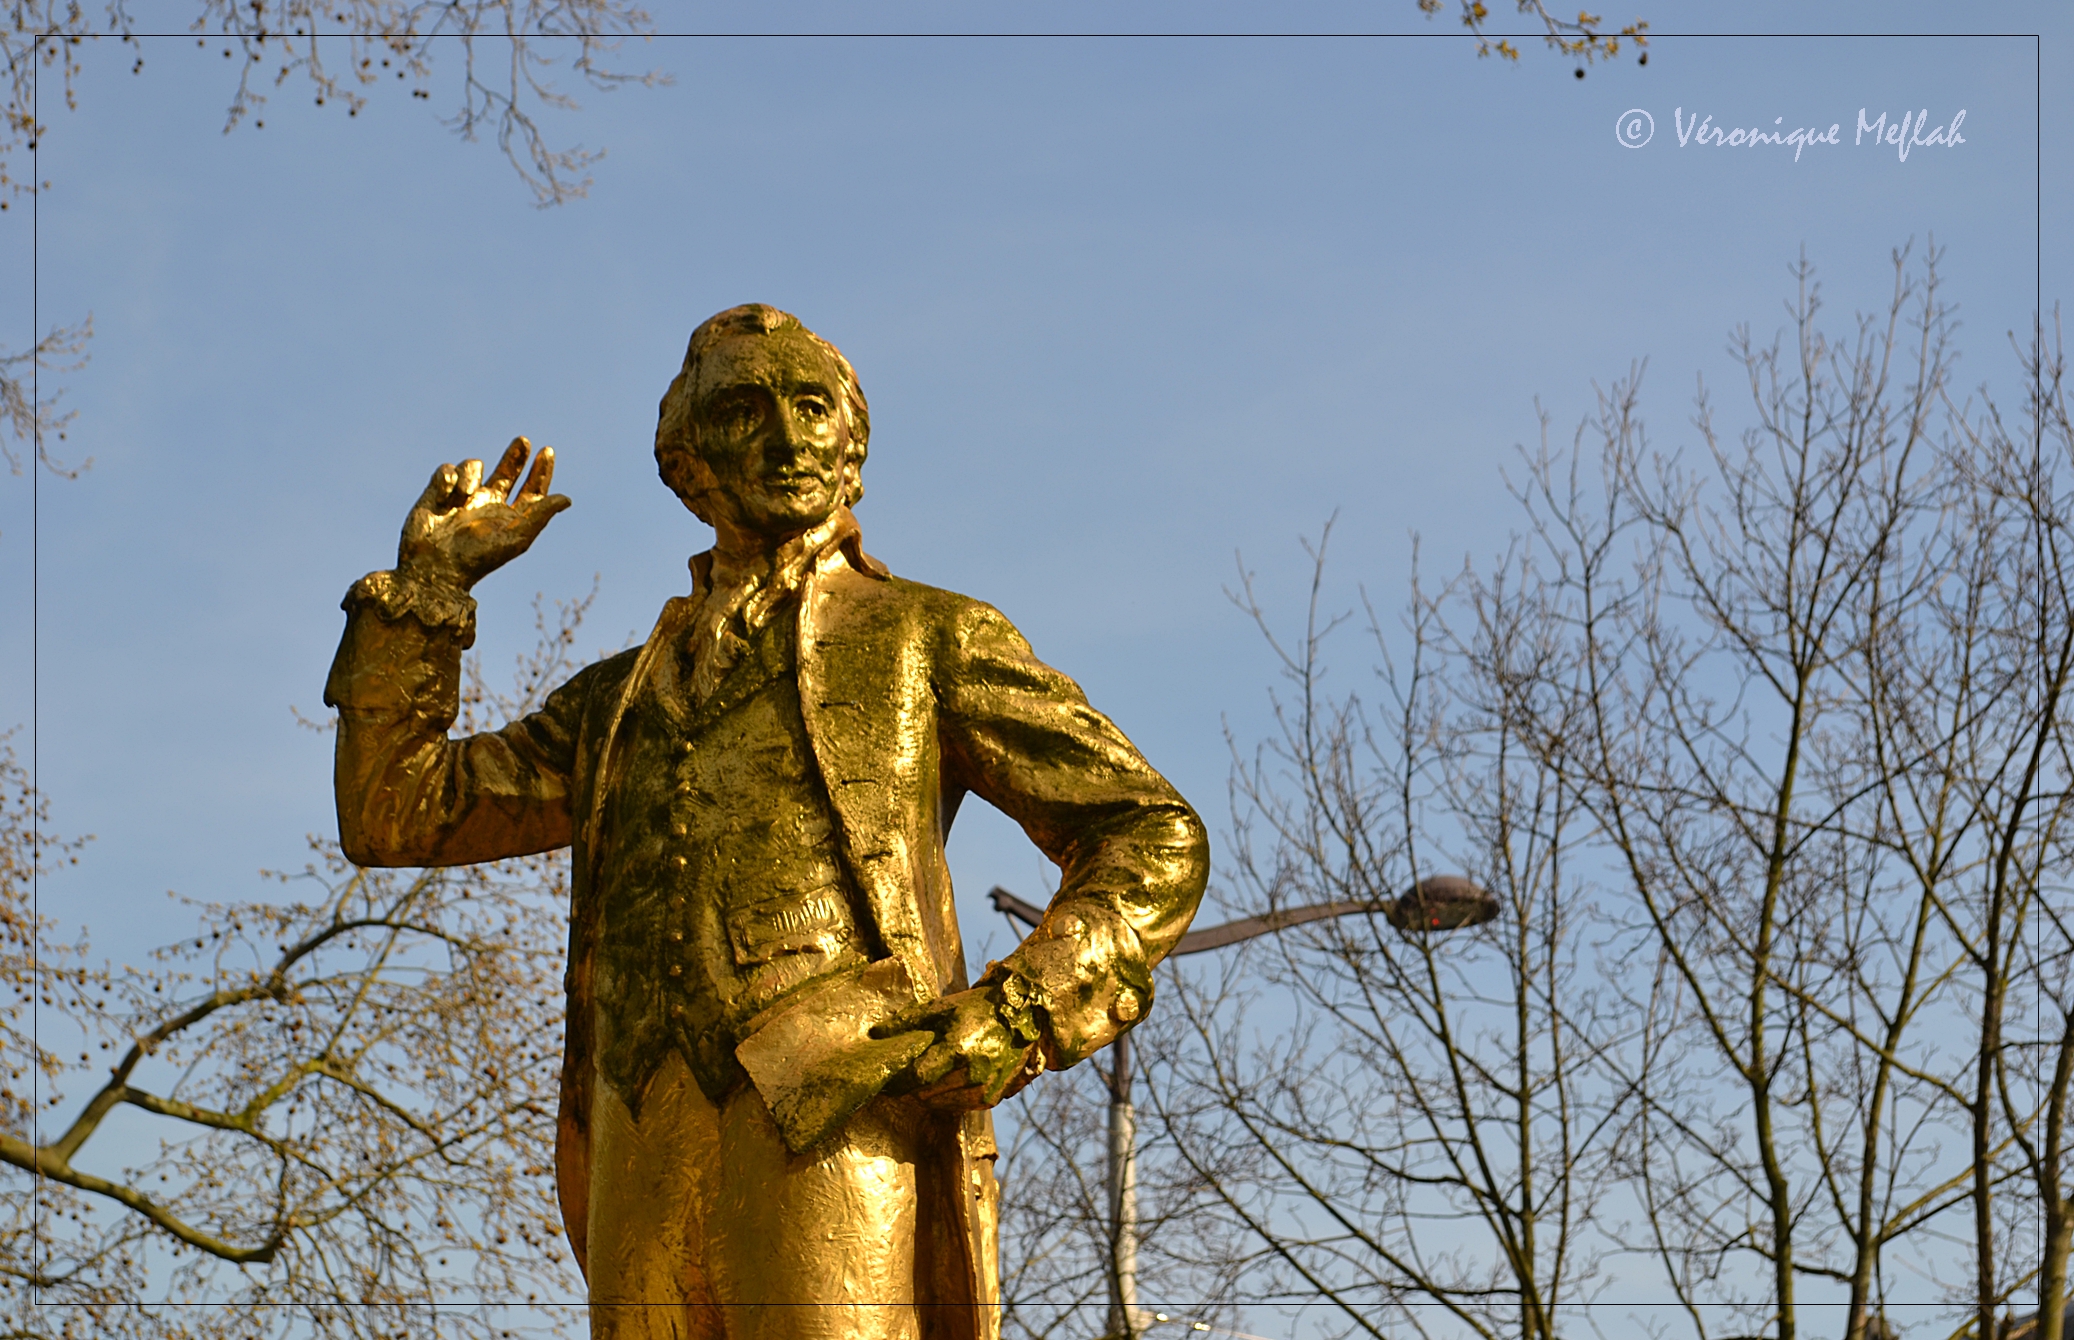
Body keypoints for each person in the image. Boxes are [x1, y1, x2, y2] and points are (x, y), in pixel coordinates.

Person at [323, 303, 1209, 1340]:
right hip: (638, 1119)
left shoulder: (927, 635)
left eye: (811, 407)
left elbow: (1149, 828)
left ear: (852, 446)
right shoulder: (614, 700)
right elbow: (395, 811)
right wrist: (426, 590)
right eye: (745, 412)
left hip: (841, 1109)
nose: (787, 439)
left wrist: (1020, 1008)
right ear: (687, 460)